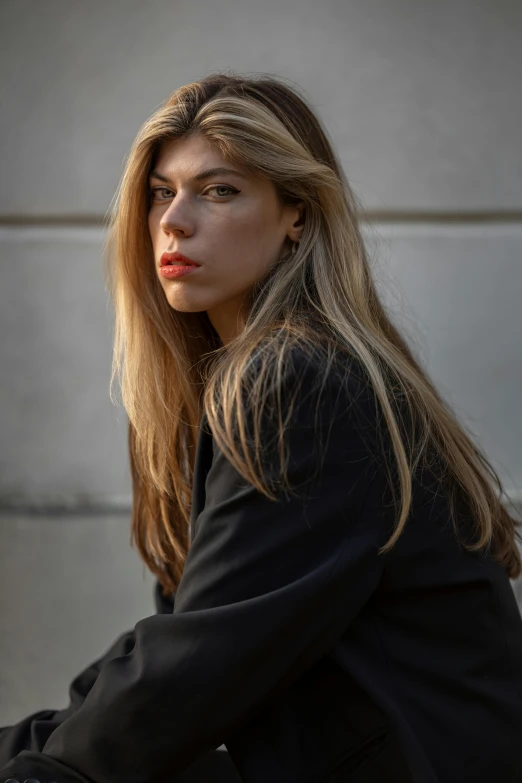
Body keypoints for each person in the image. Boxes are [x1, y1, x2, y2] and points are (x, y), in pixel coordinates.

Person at [1, 71, 522, 783]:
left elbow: (194, 673)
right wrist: (24, 746)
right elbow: (179, 647)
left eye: (219, 190)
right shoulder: (245, 382)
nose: (174, 221)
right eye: (162, 192)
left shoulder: (299, 382)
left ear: (296, 215)